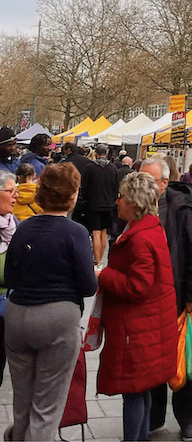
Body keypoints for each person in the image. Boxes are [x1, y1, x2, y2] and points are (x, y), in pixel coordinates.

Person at [4, 163, 97, 441]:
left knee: (22, 402)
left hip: (18, 315)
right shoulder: (76, 232)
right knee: (46, 407)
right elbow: (88, 286)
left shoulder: (24, 229)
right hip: (57, 318)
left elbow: (10, 276)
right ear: (73, 195)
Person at [97, 171, 178, 442]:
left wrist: (103, 275)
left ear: (133, 202)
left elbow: (137, 286)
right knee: (141, 389)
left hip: (137, 327)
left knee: (133, 391)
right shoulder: (150, 229)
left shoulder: (140, 238)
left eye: (121, 197)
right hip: (146, 325)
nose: (117, 202)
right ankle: (141, 436)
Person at [139, 158, 192, 442]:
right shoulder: (136, 207)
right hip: (148, 301)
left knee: (186, 359)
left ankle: (189, 420)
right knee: (152, 362)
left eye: (148, 181)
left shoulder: (183, 208)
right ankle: (154, 416)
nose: (141, 186)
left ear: (164, 183)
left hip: (181, 299)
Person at [81, 144, 118, 265]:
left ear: (96, 153)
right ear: (106, 153)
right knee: (104, 232)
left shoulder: (89, 168)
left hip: (94, 204)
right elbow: (115, 187)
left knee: (96, 232)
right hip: (108, 204)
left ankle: (97, 261)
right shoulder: (113, 168)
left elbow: (84, 187)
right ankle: (101, 259)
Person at [0, 171, 19, 387]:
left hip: (9, 307)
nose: (15, 196)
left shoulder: (13, 222)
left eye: (17, 191)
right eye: (10, 191)